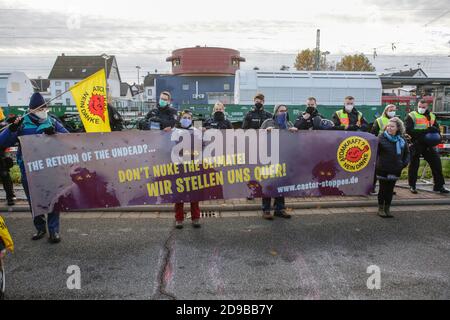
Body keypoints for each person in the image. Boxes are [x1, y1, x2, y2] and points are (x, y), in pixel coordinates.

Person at [0, 93, 69, 243]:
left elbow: (68, 138)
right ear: (31, 109)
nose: (43, 110)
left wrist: (55, 133)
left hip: (50, 169)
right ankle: (40, 228)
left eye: (44, 107)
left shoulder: (52, 121)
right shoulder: (22, 123)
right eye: (39, 108)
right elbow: (3, 141)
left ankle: (53, 231)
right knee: (34, 201)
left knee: (52, 200)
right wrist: (12, 129)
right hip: (29, 170)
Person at [260, 104, 297, 220]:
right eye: (281, 111)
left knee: (281, 184)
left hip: (283, 157)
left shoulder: (289, 124)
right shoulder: (268, 122)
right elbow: (258, 136)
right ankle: (266, 210)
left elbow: (294, 141)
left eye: (285, 111)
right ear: (276, 112)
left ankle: (279, 209)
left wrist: (295, 132)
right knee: (268, 184)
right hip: (269, 157)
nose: (283, 113)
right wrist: (265, 131)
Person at [405, 99, 448, 194]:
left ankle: (439, 186)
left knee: (436, 164)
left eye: (423, 107)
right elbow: (408, 130)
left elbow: (437, 128)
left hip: (428, 144)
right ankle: (412, 186)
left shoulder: (432, 116)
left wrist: (435, 130)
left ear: (427, 107)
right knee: (414, 166)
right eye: (419, 107)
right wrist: (425, 131)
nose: (421, 108)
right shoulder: (411, 116)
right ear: (417, 106)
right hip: (416, 143)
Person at [173, 110, 201, 229]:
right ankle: (179, 219)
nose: (186, 119)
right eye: (184, 117)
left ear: (192, 119)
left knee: (194, 193)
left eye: (189, 117)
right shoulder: (174, 131)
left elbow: (202, 145)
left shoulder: (196, 131)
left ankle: (196, 217)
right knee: (179, 193)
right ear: (180, 118)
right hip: (178, 166)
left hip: (192, 166)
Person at [376, 118, 410, 217]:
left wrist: (403, 164)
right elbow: (375, 153)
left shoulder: (402, 139)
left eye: (392, 126)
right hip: (383, 168)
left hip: (395, 169)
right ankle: (380, 209)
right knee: (382, 189)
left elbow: (407, 153)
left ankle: (387, 209)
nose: (389, 128)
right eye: (388, 126)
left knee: (390, 190)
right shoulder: (381, 137)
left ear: (398, 128)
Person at [242, 93, 272, 200]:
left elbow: (274, 128)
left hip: (266, 146)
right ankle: (251, 192)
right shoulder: (249, 114)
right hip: (253, 145)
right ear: (253, 101)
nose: (258, 103)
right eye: (256, 101)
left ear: (263, 102)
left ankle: (265, 191)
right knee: (252, 170)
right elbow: (244, 129)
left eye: (260, 101)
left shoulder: (268, 115)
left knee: (265, 170)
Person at [0, 112, 15, 206]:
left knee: (5, 176)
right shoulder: (4, 125)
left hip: (1, 156)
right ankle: (10, 197)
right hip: (2, 156)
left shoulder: (3, 125)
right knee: (5, 176)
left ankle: (10, 197)